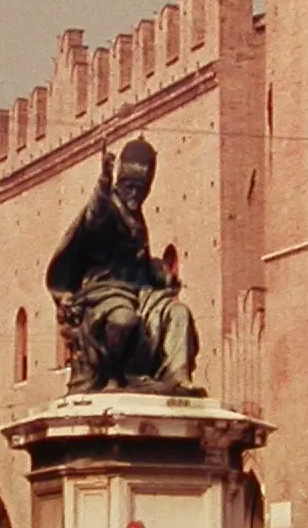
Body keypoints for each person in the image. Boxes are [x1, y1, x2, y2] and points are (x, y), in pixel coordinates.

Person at [46, 141, 201, 395]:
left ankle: (176, 377)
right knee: (123, 320)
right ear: (119, 182)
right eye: (130, 187)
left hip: (140, 292)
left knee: (179, 313)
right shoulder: (109, 208)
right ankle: (112, 376)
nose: (135, 194)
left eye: (141, 189)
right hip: (104, 292)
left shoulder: (137, 216)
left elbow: (138, 261)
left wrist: (159, 273)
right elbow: (94, 219)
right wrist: (103, 184)